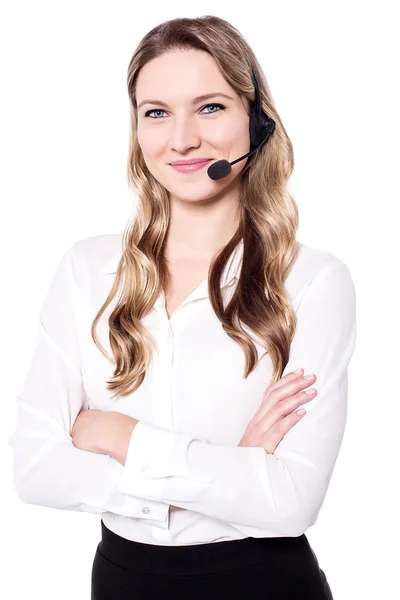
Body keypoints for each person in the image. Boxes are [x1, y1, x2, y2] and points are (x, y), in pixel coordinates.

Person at [8, 15, 356, 600]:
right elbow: (35, 471)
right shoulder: (85, 270)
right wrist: (231, 468)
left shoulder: (314, 281)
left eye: (211, 107)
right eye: (157, 112)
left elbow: (291, 501)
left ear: (257, 120)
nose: (182, 140)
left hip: (264, 583)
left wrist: (118, 435)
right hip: (121, 582)